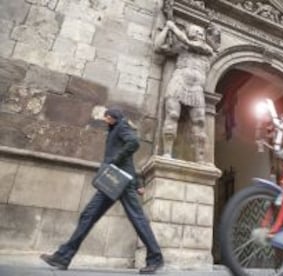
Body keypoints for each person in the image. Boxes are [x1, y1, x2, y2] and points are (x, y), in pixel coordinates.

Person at [40, 108, 163, 274]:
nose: (105, 120)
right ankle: (63, 257)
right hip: (113, 180)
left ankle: (155, 258)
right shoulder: (115, 130)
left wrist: (114, 162)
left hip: (121, 181)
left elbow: (134, 142)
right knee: (88, 215)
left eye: (106, 117)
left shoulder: (122, 127)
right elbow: (129, 160)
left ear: (112, 117)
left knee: (137, 218)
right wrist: (137, 181)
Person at [155, 20, 216, 163]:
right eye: (196, 32)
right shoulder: (181, 47)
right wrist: (165, 30)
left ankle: (200, 160)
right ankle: (167, 154)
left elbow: (189, 43)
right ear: (189, 33)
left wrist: (172, 26)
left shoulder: (206, 49)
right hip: (179, 83)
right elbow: (158, 47)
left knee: (200, 121)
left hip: (196, 89)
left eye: (202, 33)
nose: (200, 35)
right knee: (172, 115)